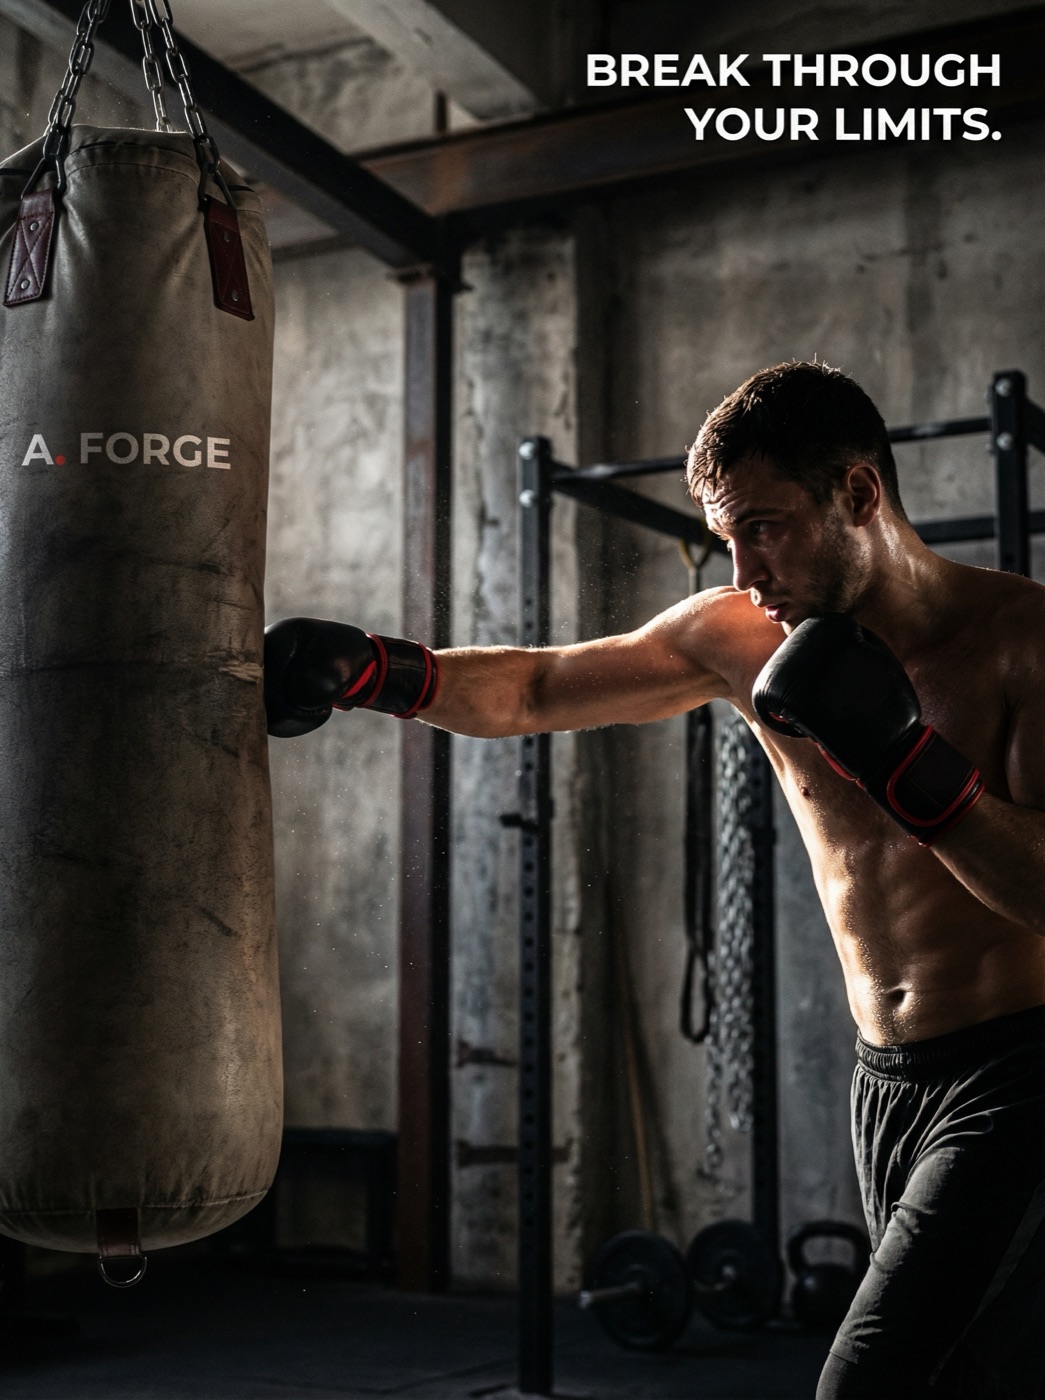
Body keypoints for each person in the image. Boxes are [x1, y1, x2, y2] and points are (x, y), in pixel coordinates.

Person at [265, 361, 1045, 1398]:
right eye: (726, 534)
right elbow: (539, 684)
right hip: (884, 1084)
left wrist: (908, 766)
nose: (743, 564)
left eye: (763, 525)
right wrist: (376, 672)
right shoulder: (738, 634)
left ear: (858, 494)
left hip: (1021, 1073)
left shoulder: (1020, 644)